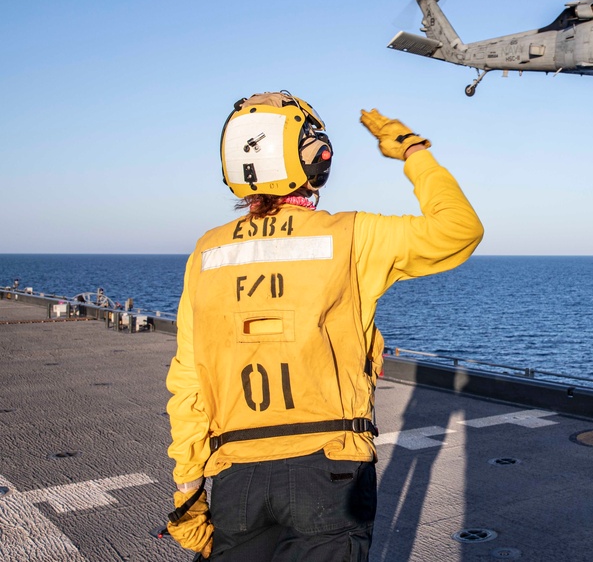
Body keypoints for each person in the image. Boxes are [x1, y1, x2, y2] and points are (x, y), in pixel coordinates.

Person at [165, 92, 484, 561]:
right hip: (330, 470)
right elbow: (460, 228)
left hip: (237, 478)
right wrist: (412, 149)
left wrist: (188, 494)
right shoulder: (352, 235)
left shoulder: (208, 253)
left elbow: (188, 382)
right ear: (312, 157)